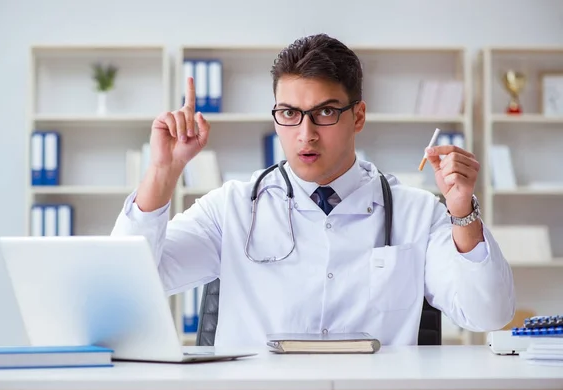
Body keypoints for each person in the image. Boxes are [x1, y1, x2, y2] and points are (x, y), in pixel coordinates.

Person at [111, 33, 515, 348]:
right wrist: (162, 173)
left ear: (358, 116)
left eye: (324, 112)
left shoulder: (417, 213)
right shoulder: (231, 208)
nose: (305, 135)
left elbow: (489, 313)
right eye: (289, 113)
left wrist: (461, 209)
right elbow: (128, 288)